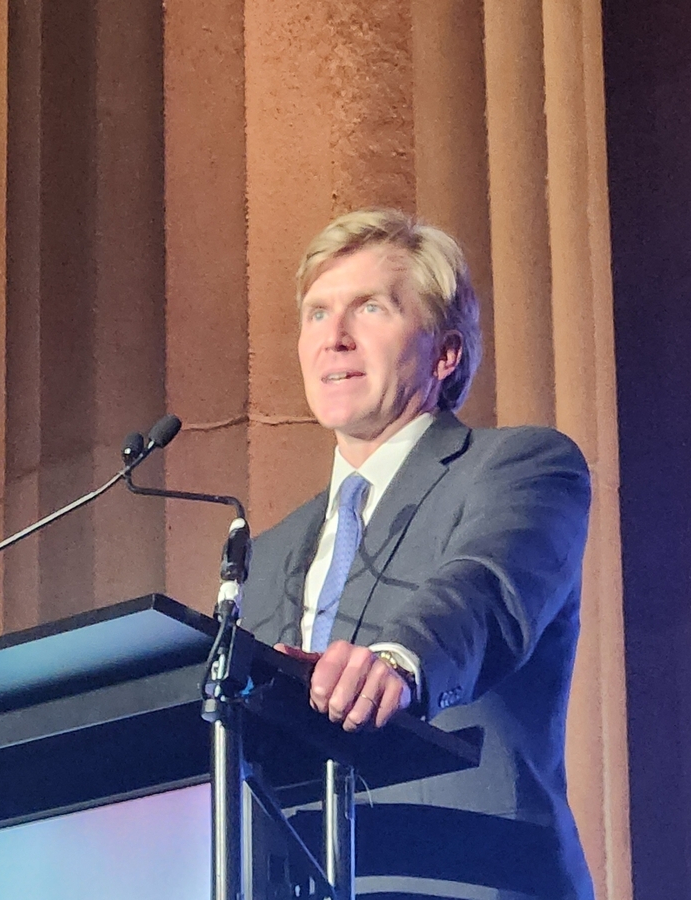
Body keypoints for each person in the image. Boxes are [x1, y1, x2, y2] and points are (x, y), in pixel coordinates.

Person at [243, 209, 595, 899]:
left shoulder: (523, 467)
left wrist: (401, 664)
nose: (333, 338)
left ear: (446, 353)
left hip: (468, 877)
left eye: (369, 308)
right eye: (316, 314)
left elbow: (484, 587)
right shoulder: (265, 553)